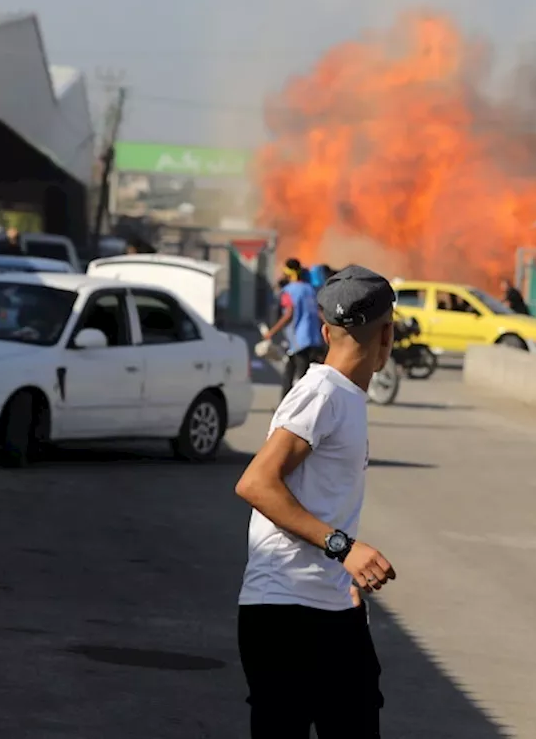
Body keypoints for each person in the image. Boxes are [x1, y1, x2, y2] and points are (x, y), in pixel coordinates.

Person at [235, 264, 399, 737]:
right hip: (285, 614)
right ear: (387, 332)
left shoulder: (342, 396)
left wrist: (340, 576)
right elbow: (256, 483)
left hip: (328, 609)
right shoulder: (321, 393)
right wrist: (344, 549)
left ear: (326, 330)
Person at [263, 263, 326, 400]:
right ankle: (285, 407)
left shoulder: (288, 291)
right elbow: (319, 312)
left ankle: (295, 409)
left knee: (298, 377)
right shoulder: (309, 288)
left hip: (299, 341)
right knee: (292, 373)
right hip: (313, 339)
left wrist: (271, 332)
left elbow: (288, 314)